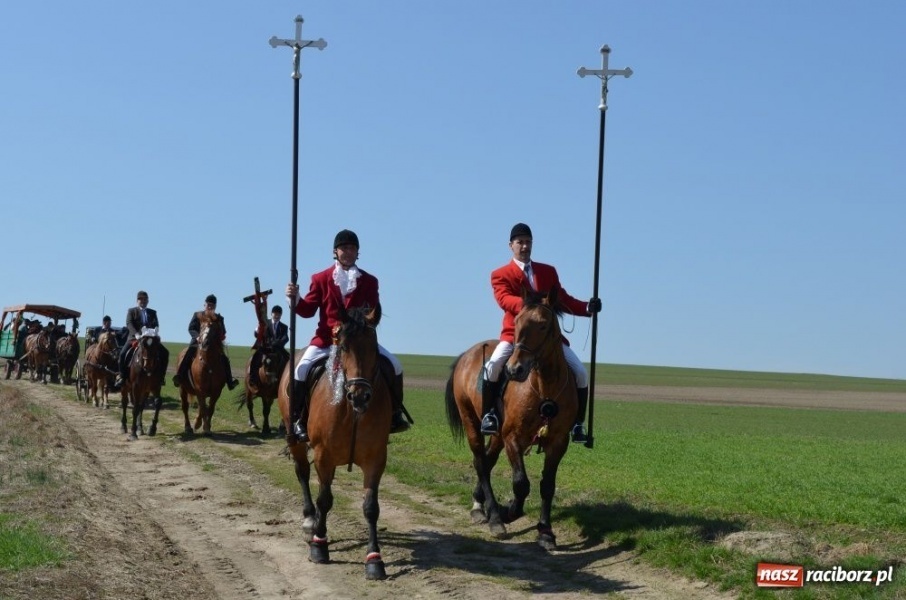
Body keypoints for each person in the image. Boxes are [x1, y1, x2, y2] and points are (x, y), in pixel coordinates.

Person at [284, 229, 410, 442]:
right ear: (335, 251)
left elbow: (372, 310)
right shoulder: (321, 278)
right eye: (344, 248)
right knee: (301, 369)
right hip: (326, 340)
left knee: (395, 365)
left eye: (352, 248)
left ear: (357, 252)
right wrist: (294, 299)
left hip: (358, 342)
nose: (348, 252)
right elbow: (307, 311)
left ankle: (394, 415)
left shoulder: (370, 281)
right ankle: (298, 419)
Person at [480, 223, 602, 443]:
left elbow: (562, 299)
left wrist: (586, 308)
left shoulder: (548, 271)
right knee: (493, 366)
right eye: (520, 242)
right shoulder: (500, 274)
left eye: (528, 242)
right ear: (511, 246)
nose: (525, 246)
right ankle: (489, 414)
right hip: (517, 337)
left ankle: (577, 424)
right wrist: (532, 307)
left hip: (548, 338)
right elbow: (504, 299)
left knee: (581, 373)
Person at [171, 294, 240, 391]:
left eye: (212, 305)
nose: (210, 307)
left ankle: (230, 381)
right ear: (205, 305)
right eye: (208, 305)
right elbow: (191, 328)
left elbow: (223, 331)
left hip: (214, 345)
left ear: (215, 306)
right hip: (198, 342)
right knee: (188, 353)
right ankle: (180, 376)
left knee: (224, 359)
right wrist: (198, 336)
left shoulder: (219, 318)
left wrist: (221, 334)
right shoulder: (198, 315)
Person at [115, 291, 170, 390]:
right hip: (134, 338)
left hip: (150, 339)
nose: (143, 301)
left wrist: (154, 332)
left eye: (145, 299)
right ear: (137, 301)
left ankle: (161, 377)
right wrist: (136, 334)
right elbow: (129, 323)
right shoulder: (132, 311)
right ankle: (122, 376)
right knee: (123, 354)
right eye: (141, 299)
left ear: (148, 301)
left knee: (165, 352)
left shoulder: (153, 312)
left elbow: (156, 324)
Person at [248, 305, 289, 387]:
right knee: (255, 358)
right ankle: (252, 378)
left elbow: (285, 338)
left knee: (289, 359)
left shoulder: (284, 327)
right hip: (265, 348)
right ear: (271, 314)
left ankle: (288, 381)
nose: (277, 316)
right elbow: (257, 334)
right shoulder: (265, 323)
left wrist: (278, 343)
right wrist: (257, 330)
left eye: (279, 314)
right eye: (275, 314)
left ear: (281, 315)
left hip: (278, 349)